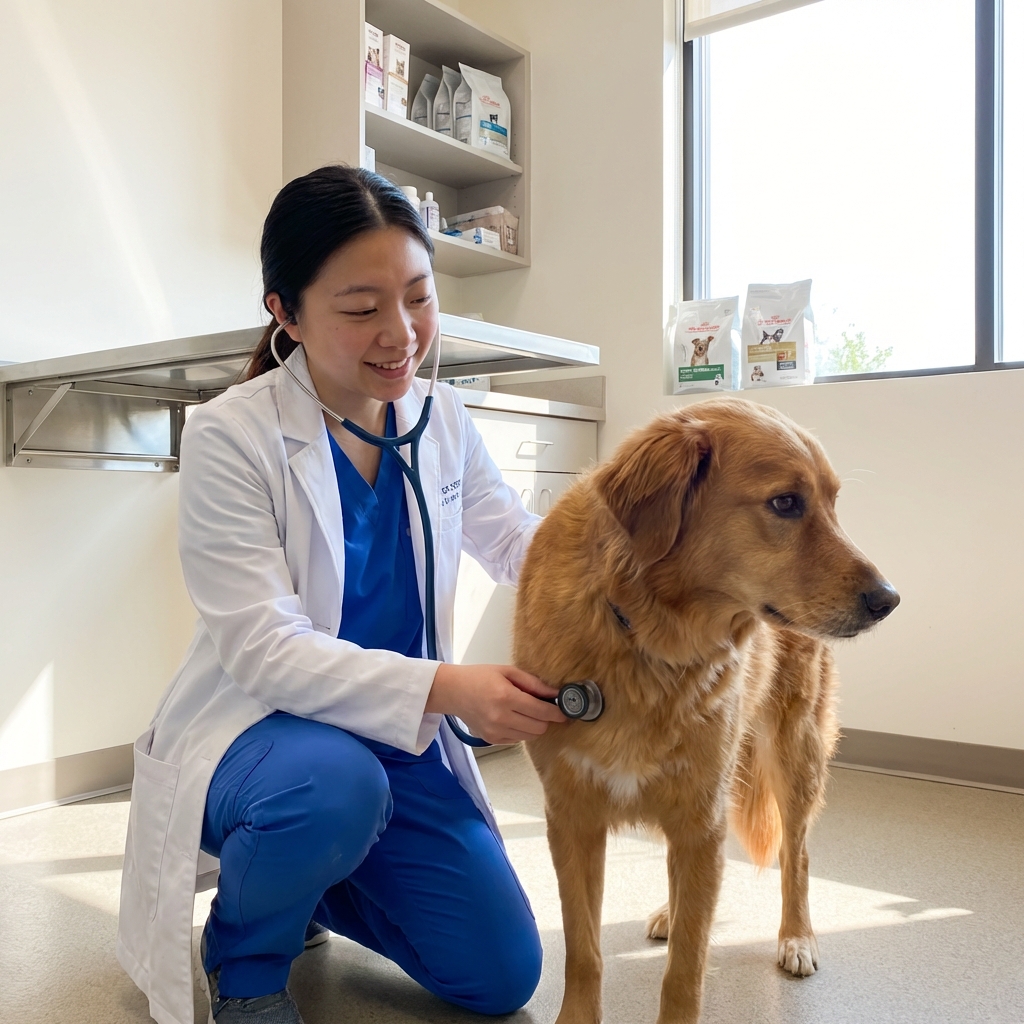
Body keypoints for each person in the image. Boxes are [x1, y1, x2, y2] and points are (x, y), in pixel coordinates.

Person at [116, 165, 566, 1024]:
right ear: (285, 312)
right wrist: (449, 687)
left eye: (419, 298)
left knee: (500, 974)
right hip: (263, 738)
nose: (401, 334)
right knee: (333, 789)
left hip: (398, 739)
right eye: (361, 308)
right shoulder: (229, 434)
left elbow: (517, 542)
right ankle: (247, 965)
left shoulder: (443, 419)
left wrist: (639, 554)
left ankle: (308, 880)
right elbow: (265, 650)